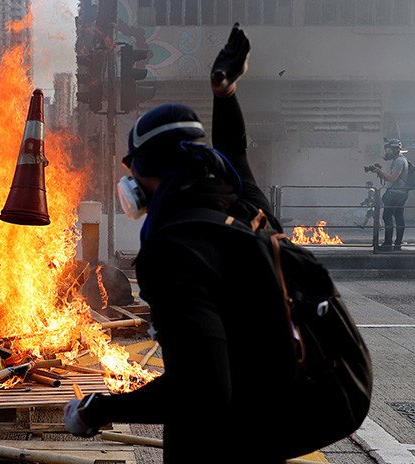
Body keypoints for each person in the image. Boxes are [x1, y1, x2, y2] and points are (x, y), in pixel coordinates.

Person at [63, 25, 292, 463]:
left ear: (151, 171)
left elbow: (204, 390)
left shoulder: (172, 255)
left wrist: (100, 410)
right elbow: (234, 151)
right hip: (271, 427)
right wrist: (225, 95)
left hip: (215, 442)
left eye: (135, 172)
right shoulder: (249, 208)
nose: (131, 185)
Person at [368, 138, 410, 251]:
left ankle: (388, 244)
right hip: (400, 193)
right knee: (399, 218)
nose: (387, 152)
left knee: (387, 216)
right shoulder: (400, 160)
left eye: (389, 150)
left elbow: (392, 178)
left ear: (396, 149)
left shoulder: (399, 161)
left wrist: (380, 172)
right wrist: (380, 173)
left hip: (395, 194)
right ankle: (397, 244)